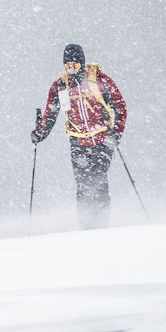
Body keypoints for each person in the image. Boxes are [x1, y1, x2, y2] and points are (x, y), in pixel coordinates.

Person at [30, 43, 127, 229]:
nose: (71, 69)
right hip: (78, 142)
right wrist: (40, 133)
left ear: (82, 64)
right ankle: (86, 225)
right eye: (67, 66)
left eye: (75, 65)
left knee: (98, 179)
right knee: (83, 184)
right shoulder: (60, 86)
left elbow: (120, 106)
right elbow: (50, 114)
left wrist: (116, 131)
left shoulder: (99, 81)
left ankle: (101, 224)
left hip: (102, 140)